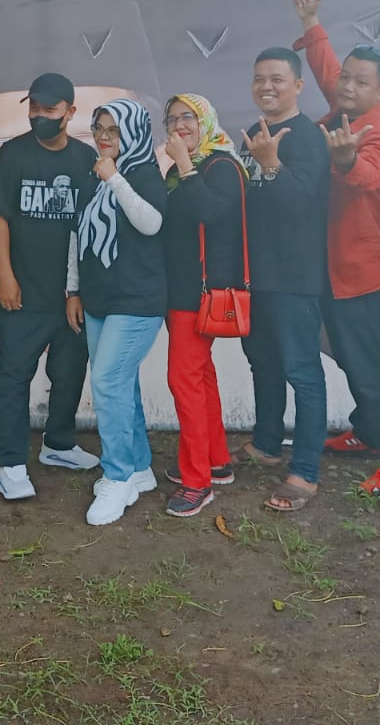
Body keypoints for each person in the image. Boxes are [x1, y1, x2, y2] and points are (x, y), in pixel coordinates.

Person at [287, 0, 380, 496]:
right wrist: (310, 22)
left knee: (368, 366)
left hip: (360, 272)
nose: (346, 85)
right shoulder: (345, 102)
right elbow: (326, 67)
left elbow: (371, 174)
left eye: (360, 81)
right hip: (331, 265)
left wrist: (345, 160)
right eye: (346, 76)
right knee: (350, 358)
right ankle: (367, 431)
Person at [0, 71, 101, 501]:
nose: (40, 116)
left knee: (69, 370)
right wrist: (6, 276)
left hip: (69, 293)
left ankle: (59, 443)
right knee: (14, 374)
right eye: (34, 107)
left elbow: (90, 228)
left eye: (49, 109)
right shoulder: (11, 155)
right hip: (22, 290)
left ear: (70, 112)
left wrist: (79, 290)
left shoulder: (85, 159)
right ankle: (11, 462)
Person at [66, 99, 168, 526]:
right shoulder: (95, 174)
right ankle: (139, 468)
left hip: (137, 301)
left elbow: (151, 223)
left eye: (113, 129)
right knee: (122, 385)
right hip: (98, 300)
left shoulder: (144, 173)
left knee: (107, 380)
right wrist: (73, 289)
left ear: (134, 132)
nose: (104, 137)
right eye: (98, 128)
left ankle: (117, 476)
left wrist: (115, 178)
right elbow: (78, 233)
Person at [237, 47, 330, 513]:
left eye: (277, 78)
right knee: (263, 363)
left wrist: (272, 164)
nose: (267, 86)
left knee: (302, 372)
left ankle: (305, 471)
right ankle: (267, 443)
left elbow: (304, 206)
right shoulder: (251, 135)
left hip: (295, 277)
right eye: (259, 78)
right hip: (255, 276)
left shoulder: (309, 138)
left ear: (298, 85)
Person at [160, 93, 244, 518]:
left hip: (198, 294)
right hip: (179, 290)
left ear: (206, 120)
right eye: (172, 119)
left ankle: (197, 483)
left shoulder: (221, 166)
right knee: (201, 376)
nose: (179, 125)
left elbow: (211, 213)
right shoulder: (179, 172)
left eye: (188, 117)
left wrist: (185, 166)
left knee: (183, 381)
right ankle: (216, 459)